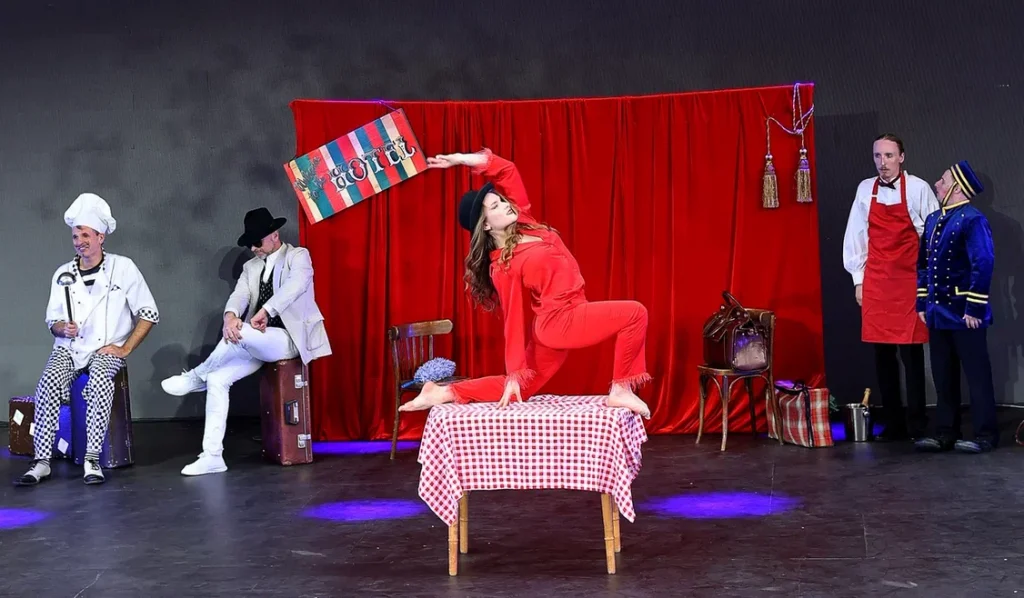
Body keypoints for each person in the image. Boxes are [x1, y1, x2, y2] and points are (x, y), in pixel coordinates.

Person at [399, 148, 651, 418]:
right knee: (635, 314)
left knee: (524, 388)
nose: (505, 205)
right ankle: (621, 390)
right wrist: (513, 371)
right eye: (495, 206)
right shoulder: (503, 265)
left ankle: (442, 392)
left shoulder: (524, 224)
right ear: (486, 226)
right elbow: (513, 318)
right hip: (562, 321)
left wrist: (461, 159)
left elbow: (507, 171)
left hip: (557, 321)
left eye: (501, 200)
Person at [160, 208, 332, 475]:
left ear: (274, 235)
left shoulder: (298, 256)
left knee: (242, 333)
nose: (253, 249)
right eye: (250, 244)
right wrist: (230, 316)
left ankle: (196, 377)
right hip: (259, 340)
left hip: (289, 339)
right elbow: (239, 296)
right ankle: (212, 455)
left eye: (257, 242)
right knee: (218, 379)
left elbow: (295, 287)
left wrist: (267, 311)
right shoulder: (250, 267)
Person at [15, 193, 159, 487]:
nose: (79, 242)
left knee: (100, 382)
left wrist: (125, 348)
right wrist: (62, 329)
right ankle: (42, 462)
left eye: (85, 235)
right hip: (69, 349)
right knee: (47, 384)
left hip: (105, 348)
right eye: (75, 236)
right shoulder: (63, 274)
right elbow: (52, 321)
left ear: (100, 237)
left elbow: (149, 313)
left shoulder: (123, 268)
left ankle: (92, 459)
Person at [842, 134, 940, 441]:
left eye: (888, 156)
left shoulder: (919, 188)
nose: (882, 162)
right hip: (877, 281)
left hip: (909, 281)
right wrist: (859, 281)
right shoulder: (865, 189)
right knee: (882, 356)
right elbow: (857, 235)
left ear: (901, 157)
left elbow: (933, 235)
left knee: (911, 355)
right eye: (877, 156)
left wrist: (927, 282)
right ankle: (894, 423)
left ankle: (917, 422)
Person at [914, 160, 998, 453]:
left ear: (957, 188)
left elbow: (983, 262)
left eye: (943, 180)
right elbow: (923, 265)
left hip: (964, 312)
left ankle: (985, 434)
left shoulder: (973, 219)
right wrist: (923, 301)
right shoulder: (933, 219)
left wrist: (974, 307)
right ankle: (945, 432)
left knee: (976, 376)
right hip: (938, 312)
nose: (937, 184)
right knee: (943, 375)